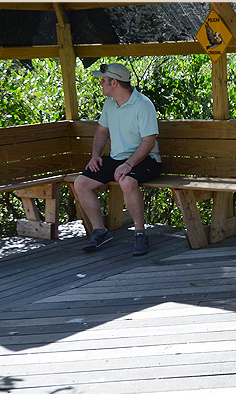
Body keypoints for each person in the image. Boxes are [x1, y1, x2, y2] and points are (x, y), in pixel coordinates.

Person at [73, 62, 162, 256]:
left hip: (147, 159)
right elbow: (101, 131)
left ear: (114, 82)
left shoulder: (143, 104)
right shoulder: (109, 103)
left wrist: (129, 164)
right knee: (80, 183)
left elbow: (149, 141)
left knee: (127, 181)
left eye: (103, 80)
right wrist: (95, 156)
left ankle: (140, 233)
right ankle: (100, 231)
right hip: (117, 159)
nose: (100, 83)